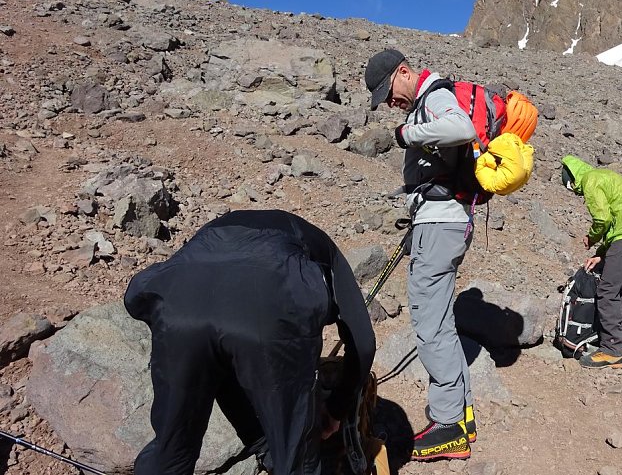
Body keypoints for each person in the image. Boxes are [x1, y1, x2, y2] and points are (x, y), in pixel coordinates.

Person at [123, 210, 376, 475]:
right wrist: (337, 408)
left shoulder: (209, 231)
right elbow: (363, 343)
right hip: (269, 305)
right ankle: (277, 452)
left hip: (180, 307)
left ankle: (263, 444)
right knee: (296, 459)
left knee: (171, 449)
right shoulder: (323, 247)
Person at [364, 49, 476, 461]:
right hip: (440, 221)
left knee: (430, 325)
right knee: (442, 321)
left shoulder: (435, 97)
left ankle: (448, 427)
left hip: (441, 222)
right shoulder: (429, 100)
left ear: (405, 73)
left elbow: (461, 127)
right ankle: (460, 416)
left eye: (388, 91)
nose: (389, 103)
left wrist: (405, 135)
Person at [560, 156, 622, 369]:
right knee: (618, 290)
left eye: (571, 186)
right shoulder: (606, 176)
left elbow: (602, 219)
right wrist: (601, 253)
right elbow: (616, 224)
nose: (575, 191)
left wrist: (591, 237)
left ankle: (611, 350)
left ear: (573, 179)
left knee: (607, 292)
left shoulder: (591, 180)